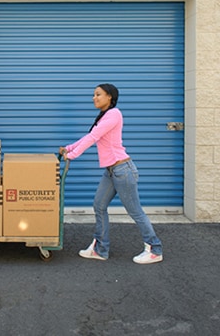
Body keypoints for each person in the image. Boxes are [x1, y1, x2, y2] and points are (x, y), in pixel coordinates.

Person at [60, 83, 163, 264]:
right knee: (99, 205)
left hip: (123, 171)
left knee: (135, 212)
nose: (94, 98)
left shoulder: (114, 114)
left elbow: (93, 137)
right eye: (93, 95)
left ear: (109, 97)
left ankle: (155, 248)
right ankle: (101, 248)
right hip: (111, 171)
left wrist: (73, 155)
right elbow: (89, 135)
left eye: (98, 94)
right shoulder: (104, 116)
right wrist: (69, 148)